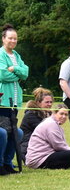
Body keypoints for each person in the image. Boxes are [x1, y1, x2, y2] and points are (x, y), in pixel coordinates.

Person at [0, 24, 29, 174]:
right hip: (3, 102)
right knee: (5, 132)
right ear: (3, 39)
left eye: (15, 38)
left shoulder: (16, 55)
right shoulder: (1, 54)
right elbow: (2, 75)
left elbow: (26, 73)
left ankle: (8, 163)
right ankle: (2, 164)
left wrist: (16, 69)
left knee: (14, 132)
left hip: (15, 102)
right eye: (10, 38)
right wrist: (18, 74)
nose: (13, 41)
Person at [19, 87, 53, 162]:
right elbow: (45, 132)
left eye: (51, 102)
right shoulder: (31, 114)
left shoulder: (47, 114)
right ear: (38, 102)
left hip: (41, 146)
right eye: (47, 102)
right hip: (29, 149)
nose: (49, 104)